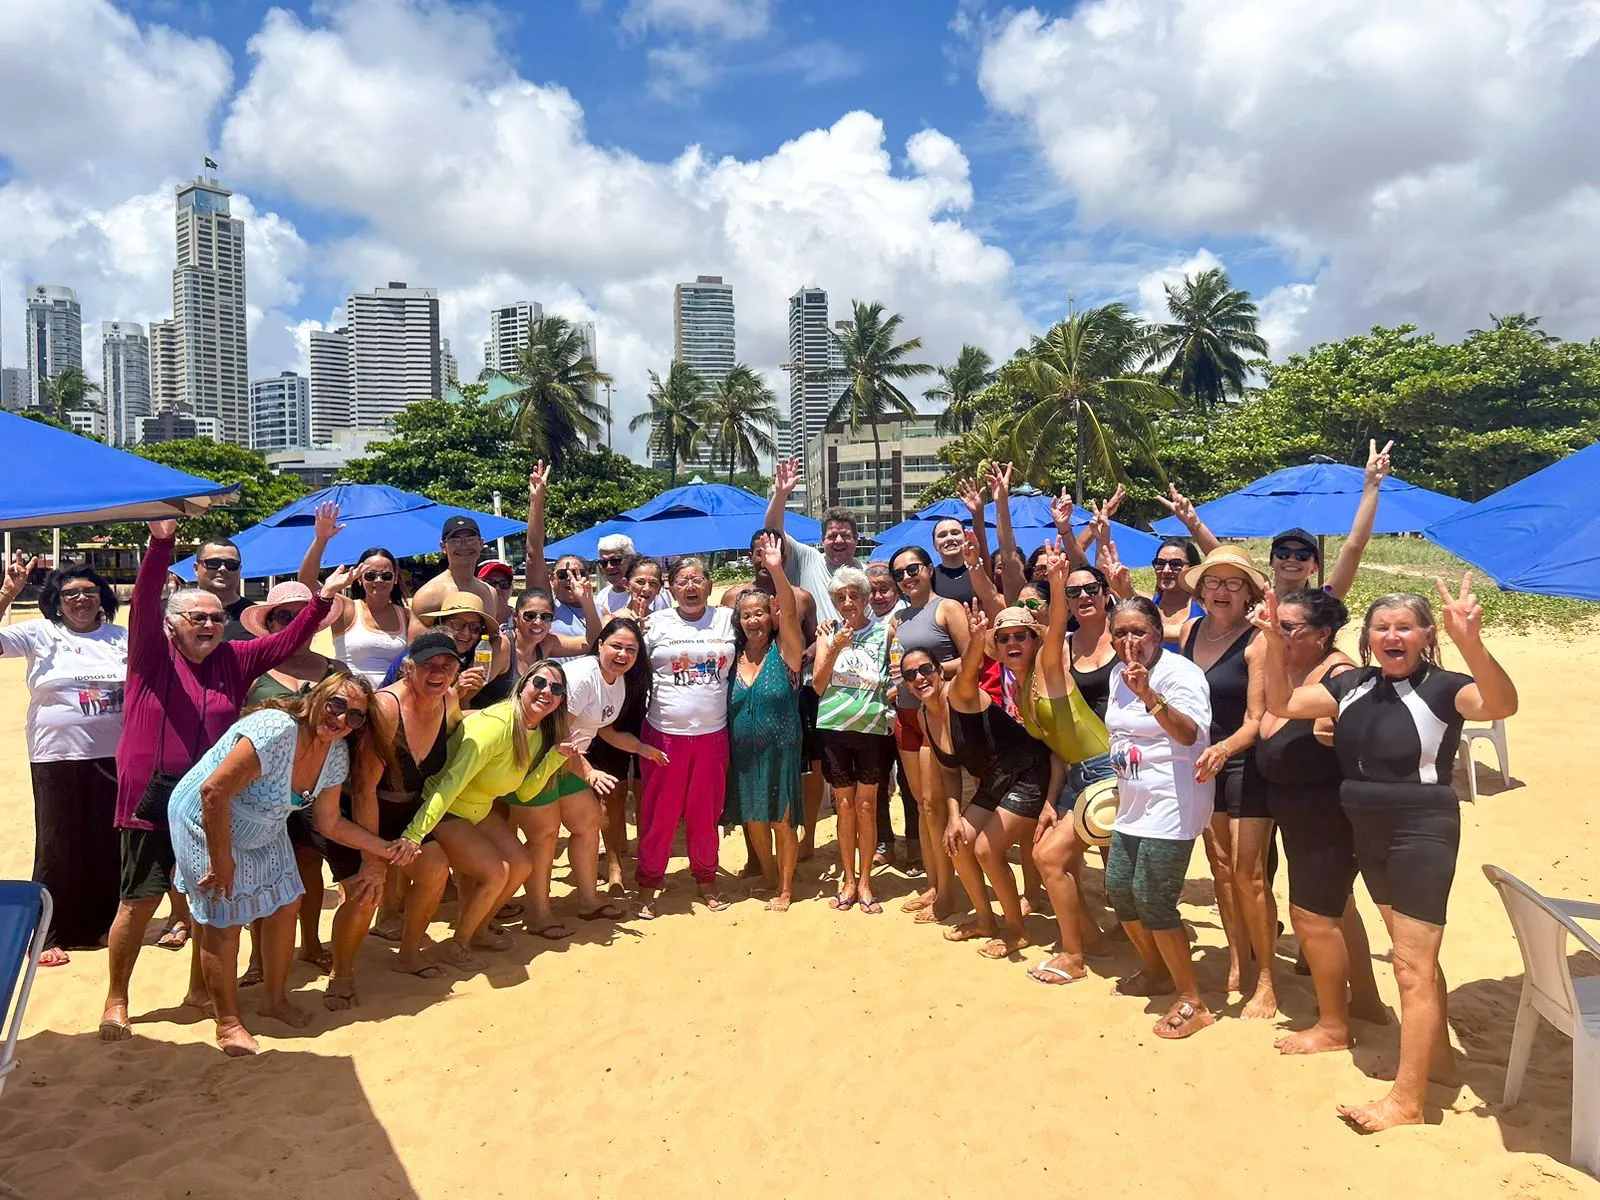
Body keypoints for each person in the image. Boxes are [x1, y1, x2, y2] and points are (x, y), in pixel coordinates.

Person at [1253, 579, 1516, 1132]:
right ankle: (1439, 1063)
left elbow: (1500, 703)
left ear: (1425, 635)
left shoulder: (1445, 688)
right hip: (1367, 834)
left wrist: (1471, 642)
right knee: (1413, 960)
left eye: (1405, 626)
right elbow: (1281, 703)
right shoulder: (1351, 685)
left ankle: (1407, 1102)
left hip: (1420, 831)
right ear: (1368, 639)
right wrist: (1274, 643)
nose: (1393, 635)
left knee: (1411, 967)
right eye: (1382, 627)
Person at [100, 521, 348, 1044]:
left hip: (209, 797)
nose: (211, 625)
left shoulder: (235, 659)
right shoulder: (149, 653)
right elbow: (145, 600)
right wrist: (161, 542)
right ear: (173, 625)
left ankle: (200, 993)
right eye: (198, 617)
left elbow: (288, 639)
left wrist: (321, 602)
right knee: (139, 900)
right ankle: (117, 998)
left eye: (216, 617)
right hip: (151, 790)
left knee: (202, 899)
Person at [168, 670, 396, 1055]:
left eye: (354, 716)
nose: (341, 719)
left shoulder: (335, 752)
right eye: (336, 704)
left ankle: (274, 1000)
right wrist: (222, 862)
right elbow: (213, 792)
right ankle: (227, 1022)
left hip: (265, 824)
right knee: (225, 919)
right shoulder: (276, 730)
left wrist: (383, 849)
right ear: (317, 696)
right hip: (206, 819)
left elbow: (330, 822)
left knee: (287, 903)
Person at [1251, 589, 1385, 1054]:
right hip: (1297, 810)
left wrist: (1338, 731)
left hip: (1325, 814)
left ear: (1322, 634)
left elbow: (1359, 735)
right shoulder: (1285, 666)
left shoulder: (1341, 675)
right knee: (1339, 909)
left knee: (1312, 917)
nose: (1277, 633)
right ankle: (1367, 1002)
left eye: (1288, 627)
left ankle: (1332, 1026)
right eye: (1275, 624)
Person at [401, 662, 571, 968]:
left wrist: (555, 758)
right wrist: (414, 833)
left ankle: (477, 930)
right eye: (540, 683)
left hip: (478, 808)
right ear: (522, 685)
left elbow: (524, 793)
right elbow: (450, 783)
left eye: (556, 689)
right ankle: (459, 944)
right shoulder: (495, 726)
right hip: (445, 807)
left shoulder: (536, 730)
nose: (547, 692)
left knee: (521, 866)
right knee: (496, 873)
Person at [0, 557, 127, 965]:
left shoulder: (120, 637)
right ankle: (48, 933)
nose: (81, 599)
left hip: (113, 754)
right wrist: (7, 594)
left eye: (89, 591)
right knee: (57, 843)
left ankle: (102, 926)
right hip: (55, 753)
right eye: (71, 593)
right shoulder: (40, 634)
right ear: (56, 601)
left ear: (101, 597)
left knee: (107, 842)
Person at [1101, 596, 1216, 1039]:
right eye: (1120, 633)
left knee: (1152, 895)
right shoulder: (1116, 674)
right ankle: (1155, 970)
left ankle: (1192, 998)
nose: (1129, 642)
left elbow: (1190, 734)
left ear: (1157, 633)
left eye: (1138, 632)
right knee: (1119, 890)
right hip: (1132, 801)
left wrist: (1149, 694)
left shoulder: (1180, 673)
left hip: (1174, 800)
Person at [328, 632, 464, 1002]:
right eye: (429, 665)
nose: (438, 673)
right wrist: (374, 859)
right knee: (365, 893)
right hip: (361, 811)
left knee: (435, 871)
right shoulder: (387, 708)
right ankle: (340, 974)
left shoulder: (449, 700)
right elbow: (363, 787)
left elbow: (456, 741)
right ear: (408, 667)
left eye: (447, 665)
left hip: (408, 811)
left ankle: (409, 952)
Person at [911, 608, 1053, 960]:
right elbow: (948, 771)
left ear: (939, 671)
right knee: (957, 842)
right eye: (910, 674)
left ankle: (1016, 929)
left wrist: (976, 640)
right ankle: (986, 920)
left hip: (1028, 772)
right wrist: (955, 816)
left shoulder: (960, 695)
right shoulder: (922, 716)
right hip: (995, 780)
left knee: (986, 850)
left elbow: (971, 669)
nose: (919, 678)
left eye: (926, 669)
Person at [1180, 545, 1275, 1017]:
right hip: (1202, 763)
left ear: (1249, 592)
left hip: (1244, 762)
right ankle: (1237, 957)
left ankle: (1267, 978)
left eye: (1233, 583)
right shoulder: (1189, 631)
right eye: (1213, 582)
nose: (1221, 591)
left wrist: (1224, 750)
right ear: (1200, 590)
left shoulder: (1257, 641)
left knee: (1249, 873)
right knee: (1219, 866)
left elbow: (1258, 719)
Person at [239, 580, 350, 980]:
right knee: (257, 872)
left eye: (304, 615)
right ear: (268, 623)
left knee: (308, 865)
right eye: (285, 616)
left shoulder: (334, 670)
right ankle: (256, 956)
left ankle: (312, 942)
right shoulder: (253, 671)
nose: (296, 622)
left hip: (316, 787)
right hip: (259, 790)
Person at [505, 620, 645, 939]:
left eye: (631, 649)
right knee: (545, 836)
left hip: (566, 761)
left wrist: (638, 747)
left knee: (589, 820)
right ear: (599, 645)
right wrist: (590, 771)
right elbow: (557, 732)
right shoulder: (584, 676)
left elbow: (598, 727)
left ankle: (587, 901)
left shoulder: (618, 680)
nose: (623, 654)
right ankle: (539, 914)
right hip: (539, 759)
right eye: (616, 646)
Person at [1030, 555, 1122, 984]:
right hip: (1079, 768)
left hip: (1117, 761)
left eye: (1091, 589)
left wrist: (1059, 577)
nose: (1083, 596)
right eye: (1073, 591)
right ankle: (1092, 942)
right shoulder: (1061, 648)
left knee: (1100, 865)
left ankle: (1078, 953)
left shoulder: (1122, 637)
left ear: (1106, 594)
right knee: (1062, 858)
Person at [1161, 440, 1395, 603]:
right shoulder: (1257, 599)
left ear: (1315, 567)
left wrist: (1372, 486)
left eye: (1302, 555)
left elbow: (1354, 546)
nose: (1291, 559)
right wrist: (1194, 525)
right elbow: (1224, 558)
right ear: (1272, 562)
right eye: (1283, 553)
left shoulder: (1322, 602)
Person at [764, 458, 859, 854]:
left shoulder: (866, 573)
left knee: (849, 761)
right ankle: (808, 837)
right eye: (832, 535)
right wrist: (781, 494)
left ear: (857, 539)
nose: (838, 541)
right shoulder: (806, 559)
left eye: (845, 535)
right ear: (822, 540)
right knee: (812, 762)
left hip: (854, 679)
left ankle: (857, 832)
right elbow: (772, 532)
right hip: (809, 678)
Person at [635, 557, 738, 918]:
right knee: (658, 814)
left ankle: (706, 878)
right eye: (681, 581)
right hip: (664, 734)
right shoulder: (654, 624)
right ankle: (648, 882)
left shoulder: (727, 620)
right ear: (670, 588)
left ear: (710, 586)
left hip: (713, 734)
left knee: (705, 813)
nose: (690, 587)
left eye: (697, 580)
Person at [887, 544, 971, 921]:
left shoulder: (947, 608)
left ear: (929, 569)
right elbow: (895, 664)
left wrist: (927, 673)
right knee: (923, 804)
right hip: (907, 715)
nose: (907, 577)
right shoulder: (899, 618)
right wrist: (899, 682)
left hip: (938, 716)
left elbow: (975, 656)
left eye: (913, 568)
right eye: (900, 573)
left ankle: (949, 891)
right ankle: (935, 883)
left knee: (940, 804)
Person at [725, 534, 806, 911]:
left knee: (781, 820)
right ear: (738, 622)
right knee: (754, 818)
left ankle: (787, 888)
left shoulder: (786, 649)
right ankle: (770, 877)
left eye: (760, 613)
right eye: (747, 615)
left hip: (781, 748)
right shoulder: (732, 658)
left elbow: (789, 612)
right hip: (743, 753)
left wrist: (775, 569)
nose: (754, 619)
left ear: (770, 617)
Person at [813, 568, 896, 915]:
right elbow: (818, 684)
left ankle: (865, 882)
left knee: (867, 806)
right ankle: (847, 880)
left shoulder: (884, 632)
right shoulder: (826, 633)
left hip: (872, 729)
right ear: (833, 600)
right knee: (843, 807)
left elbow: (892, 676)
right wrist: (833, 648)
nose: (848, 602)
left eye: (854, 595)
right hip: (834, 728)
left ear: (865, 598)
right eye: (840, 596)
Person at [591, 557, 667, 888]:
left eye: (653, 583)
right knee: (614, 791)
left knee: (647, 788)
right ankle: (615, 861)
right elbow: (596, 645)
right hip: (616, 711)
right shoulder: (615, 619)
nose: (646, 588)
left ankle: (646, 855)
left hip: (651, 711)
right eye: (640, 582)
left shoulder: (667, 620)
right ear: (627, 582)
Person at [326, 546, 411, 685]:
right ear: (359, 579)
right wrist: (321, 539)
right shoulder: (346, 609)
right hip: (351, 697)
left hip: (391, 699)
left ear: (395, 578)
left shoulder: (406, 615)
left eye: (386, 576)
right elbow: (307, 581)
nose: (378, 580)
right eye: (370, 575)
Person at [413, 592, 509, 709]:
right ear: (441, 623)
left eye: (474, 628)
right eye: (458, 624)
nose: (466, 633)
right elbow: (422, 710)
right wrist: (456, 691)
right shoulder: (422, 656)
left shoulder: (471, 657)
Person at [409, 514, 499, 637]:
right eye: (455, 541)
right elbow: (416, 647)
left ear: (481, 543)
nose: (464, 546)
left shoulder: (490, 593)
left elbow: (492, 638)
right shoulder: (429, 594)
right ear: (443, 547)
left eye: (470, 539)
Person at [192, 535, 253, 641]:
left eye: (231, 564)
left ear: (240, 570)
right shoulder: (171, 610)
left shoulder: (255, 617)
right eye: (213, 563)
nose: (222, 569)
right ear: (196, 569)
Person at [1148, 536, 1204, 649]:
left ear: (1192, 568)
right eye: (1160, 563)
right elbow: (1118, 588)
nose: (1166, 570)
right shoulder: (1147, 604)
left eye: (1176, 564)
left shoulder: (1206, 607)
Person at [594, 533, 667, 614]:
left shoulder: (653, 593)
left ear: (631, 559)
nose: (609, 567)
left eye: (615, 560)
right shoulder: (602, 595)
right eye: (603, 562)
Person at [477, 559, 516, 630]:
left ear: (511, 588)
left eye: (504, 583)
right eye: (490, 583)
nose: (497, 589)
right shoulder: (472, 620)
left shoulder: (522, 620)